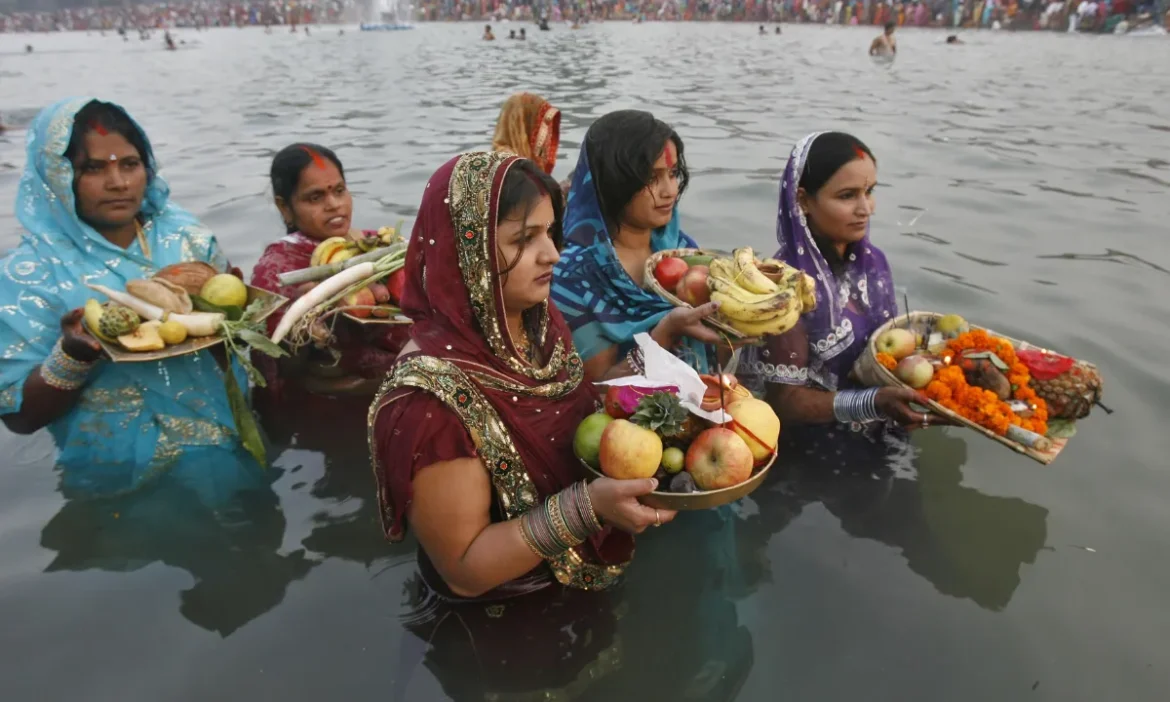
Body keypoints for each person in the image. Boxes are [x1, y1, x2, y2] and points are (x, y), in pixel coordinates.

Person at [370, 151, 671, 604]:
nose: (552, 254)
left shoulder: (536, 322)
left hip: (579, 582)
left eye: (549, 233)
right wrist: (587, 508)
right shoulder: (429, 400)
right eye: (523, 239)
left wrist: (664, 340)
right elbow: (465, 571)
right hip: (501, 618)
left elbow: (584, 413)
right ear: (467, 252)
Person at [0, 98, 265, 500]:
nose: (119, 182)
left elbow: (231, 356)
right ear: (57, 175)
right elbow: (18, 416)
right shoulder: (30, 274)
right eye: (93, 168)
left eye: (129, 163)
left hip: (226, 449)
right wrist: (72, 357)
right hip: (116, 479)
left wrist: (236, 321)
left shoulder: (187, 238)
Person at [740, 132, 949, 467]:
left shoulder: (874, 263)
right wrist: (872, 403)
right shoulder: (784, 288)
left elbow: (887, 355)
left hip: (883, 429)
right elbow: (783, 402)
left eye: (870, 192)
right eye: (847, 196)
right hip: (810, 456)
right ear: (804, 201)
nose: (865, 209)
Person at [551, 110, 721, 382]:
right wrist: (664, 334)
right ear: (613, 182)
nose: (670, 191)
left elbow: (712, 357)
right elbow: (598, 388)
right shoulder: (572, 275)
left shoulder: (681, 250)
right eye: (652, 178)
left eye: (673, 173)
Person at [250, 143, 408, 395]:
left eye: (339, 190)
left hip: (394, 390)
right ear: (284, 207)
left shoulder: (376, 245)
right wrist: (307, 323)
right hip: (327, 411)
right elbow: (277, 366)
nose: (334, 204)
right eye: (315, 197)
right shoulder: (277, 271)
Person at [490, 93, 561, 176]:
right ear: (526, 125)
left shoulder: (494, 160)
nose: (547, 136)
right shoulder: (514, 167)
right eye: (542, 127)